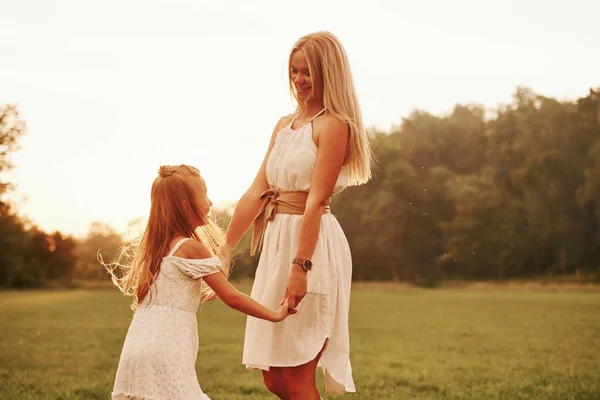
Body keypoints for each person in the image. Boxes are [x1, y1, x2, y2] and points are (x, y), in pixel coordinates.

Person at [226, 31, 374, 399]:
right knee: (274, 377)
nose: (299, 80)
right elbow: (256, 193)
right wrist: (221, 251)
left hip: (311, 248)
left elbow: (315, 201)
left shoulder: (334, 125)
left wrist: (300, 267)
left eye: (308, 71)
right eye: (294, 71)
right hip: (278, 243)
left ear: (329, 73)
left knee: (294, 377)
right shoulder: (283, 125)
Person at [103, 164, 296, 400]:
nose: (211, 202)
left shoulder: (155, 251)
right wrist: (275, 315)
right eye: (204, 194)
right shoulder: (192, 248)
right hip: (167, 349)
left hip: (136, 348)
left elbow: (188, 294)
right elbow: (232, 298)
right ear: (186, 205)